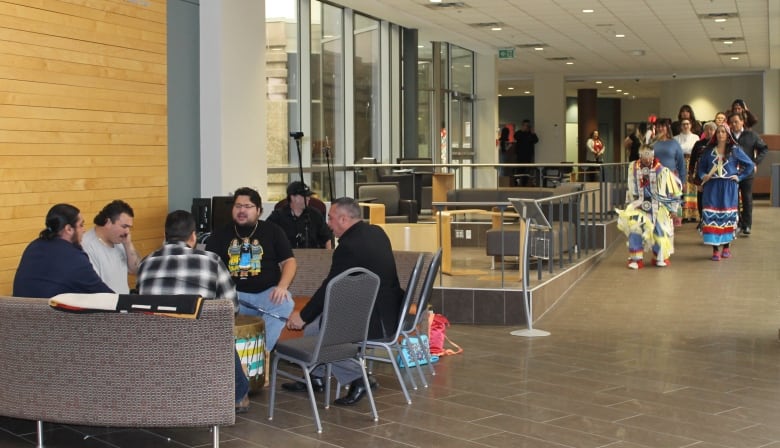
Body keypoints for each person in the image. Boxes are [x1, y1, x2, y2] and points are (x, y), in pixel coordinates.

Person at [284, 197, 404, 406]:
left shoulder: (348, 247)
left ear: (344, 219)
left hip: (374, 320)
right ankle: (315, 375)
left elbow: (330, 288)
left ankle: (359, 378)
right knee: (317, 323)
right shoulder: (377, 232)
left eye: (330, 218)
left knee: (324, 328)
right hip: (390, 310)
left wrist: (302, 316)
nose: (328, 224)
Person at [136, 210, 250, 413]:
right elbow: (232, 307)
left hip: (154, 348)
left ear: (165, 237)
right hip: (198, 348)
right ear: (193, 236)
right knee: (222, 329)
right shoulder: (212, 261)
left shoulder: (145, 263)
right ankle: (238, 395)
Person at [205, 187, 296, 352]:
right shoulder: (219, 235)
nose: (242, 210)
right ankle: (230, 357)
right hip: (233, 296)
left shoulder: (273, 231)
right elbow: (208, 269)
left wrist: (282, 287)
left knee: (285, 302)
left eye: (247, 207)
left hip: (265, 294)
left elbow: (289, 262)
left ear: (259, 211)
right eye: (238, 206)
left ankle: (259, 353)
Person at [13, 203, 113, 298]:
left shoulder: (33, 246)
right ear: (68, 229)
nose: (84, 230)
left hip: (19, 313)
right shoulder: (74, 258)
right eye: (81, 225)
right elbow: (102, 293)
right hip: (51, 314)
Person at [617, 144, 682, 269]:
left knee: (660, 230)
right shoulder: (633, 168)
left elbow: (671, 190)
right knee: (635, 229)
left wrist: (673, 209)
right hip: (638, 204)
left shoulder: (662, 170)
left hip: (658, 205)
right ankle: (636, 258)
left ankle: (660, 257)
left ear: (653, 155)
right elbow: (630, 186)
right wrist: (630, 203)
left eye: (650, 156)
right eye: (644, 156)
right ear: (640, 155)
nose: (647, 159)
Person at [697, 125, 754, 260]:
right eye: (718, 132)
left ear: (728, 135)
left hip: (729, 186)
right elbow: (701, 169)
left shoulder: (734, 151)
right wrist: (703, 176)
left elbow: (750, 165)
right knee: (712, 216)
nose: (720, 134)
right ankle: (715, 249)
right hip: (712, 186)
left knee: (727, 216)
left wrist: (739, 177)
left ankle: (726, 247)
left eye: (723, 132)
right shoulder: (708, 151)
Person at [81, 200, 141, 294]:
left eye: (129, 227)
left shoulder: (120, 240)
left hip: (122, 303)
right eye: (124, 226)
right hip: (105, 306)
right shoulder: (87, 246)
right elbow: (93, 289)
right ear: (108, 222)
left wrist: (128, 244)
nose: (127, 231)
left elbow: (136, 269)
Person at [728, 113, 768, 235]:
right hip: (732, 172)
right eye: (732, 122)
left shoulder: (751, 135)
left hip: (746, 172)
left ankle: (747, 225)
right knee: (733, 199)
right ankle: (736, 223)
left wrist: (755, 163)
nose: (734, 124)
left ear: (742, 122)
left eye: (736, 122)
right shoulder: (728, 136)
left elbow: (764, 148)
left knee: (747, 198)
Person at [267, 181, 332, 249]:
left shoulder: (316, 215)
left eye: (308, 195)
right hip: (285, 257)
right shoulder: (277, 216)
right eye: (304, 196)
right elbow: (267, 235)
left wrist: (328, 257)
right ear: (292, 197)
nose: (308, 198)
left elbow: (327, 239)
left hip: (312, 256)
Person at [688, 121, 718, 230]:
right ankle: (702, 219)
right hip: (701, 175)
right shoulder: (698, 144)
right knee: (701, 198)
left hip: (715, 176)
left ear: (715, 131)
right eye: (707, 129)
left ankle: (714, 220)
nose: (709, 132)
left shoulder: (718, 144)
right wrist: (690, 173)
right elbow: (692, 160)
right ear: (704, 132)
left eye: (711, 129)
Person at [674, 119, 700, 222]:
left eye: (687, 124)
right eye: (683, 124)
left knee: (692, 188)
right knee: (681, 188)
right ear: (681, 126)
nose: (685, 126)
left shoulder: (695, 137)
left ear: (691, 125)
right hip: (680, 163)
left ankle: (693, 214)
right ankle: (682, 215)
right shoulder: (676, 138)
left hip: (693, 163)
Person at [514, 120, 539, 186]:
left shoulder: (531, 134)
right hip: (520, 155)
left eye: (528, 125)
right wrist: (522, 130)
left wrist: (533, 133)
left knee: (527, 171)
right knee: (519, 170)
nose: (526, 127)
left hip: (528, 156)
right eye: (525, 125)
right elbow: (516, 137)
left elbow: (536, 140)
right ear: (522, 125)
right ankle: (516, 184)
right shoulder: (519, 133)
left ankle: (524, 184)